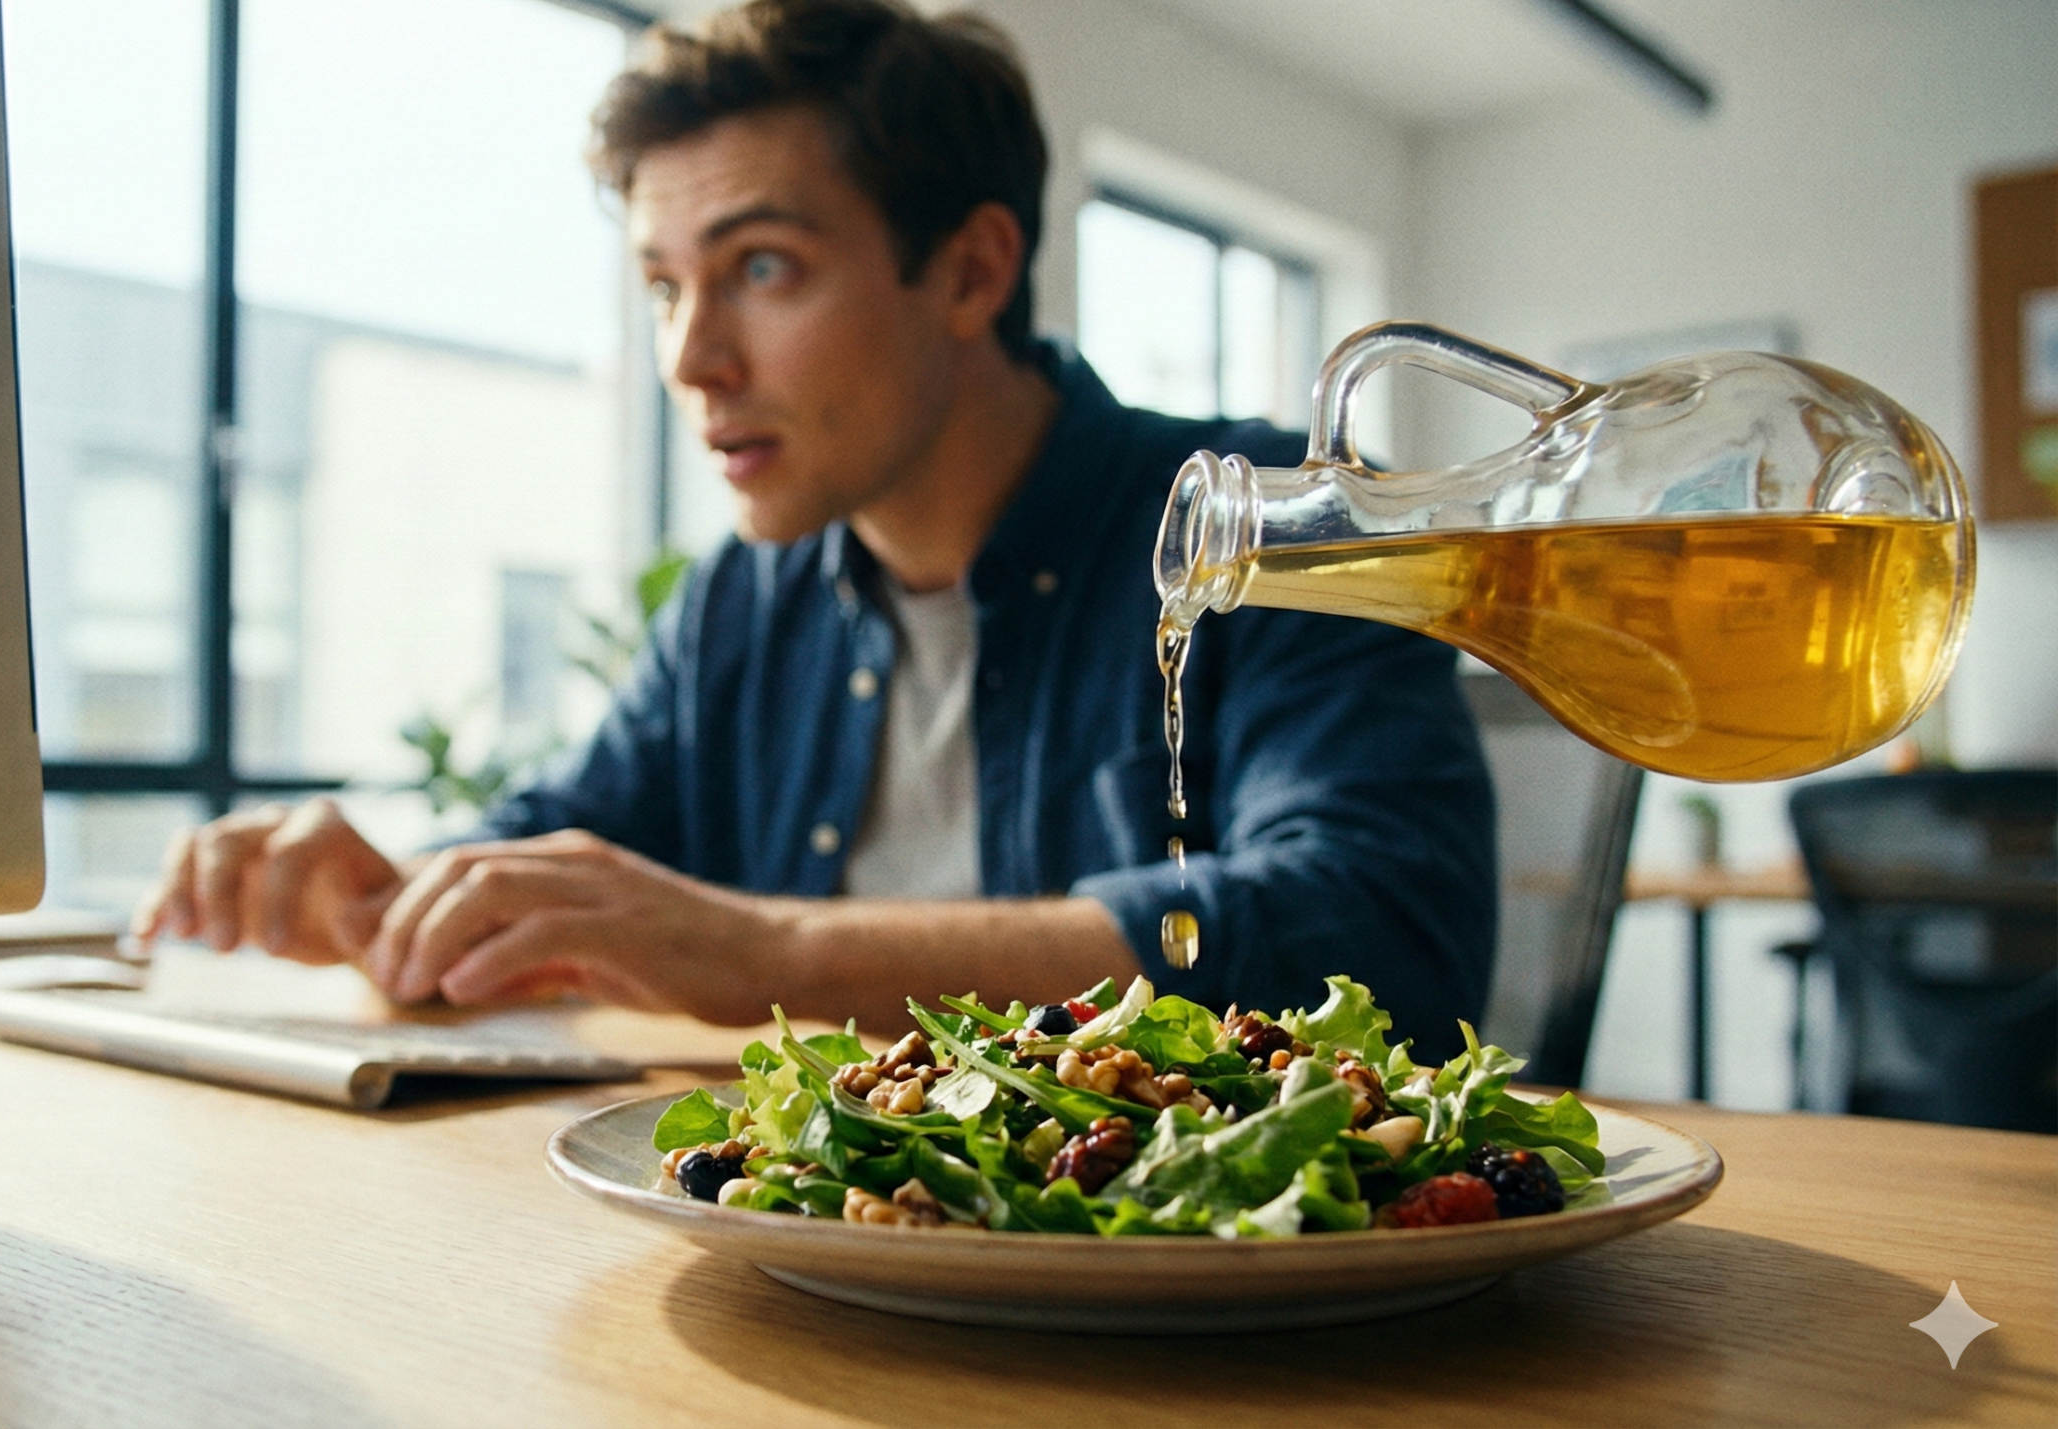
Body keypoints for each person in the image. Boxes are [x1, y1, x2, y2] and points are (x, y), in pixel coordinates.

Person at [135, 0, 1495, 1057]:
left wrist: (773, 955)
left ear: (970, 270)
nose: (691, 358)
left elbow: (1385, 936)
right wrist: (386, 892)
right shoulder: (742, 603)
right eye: (664, 287)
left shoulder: (1274, 521)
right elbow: (566, 853)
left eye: (762, 267)